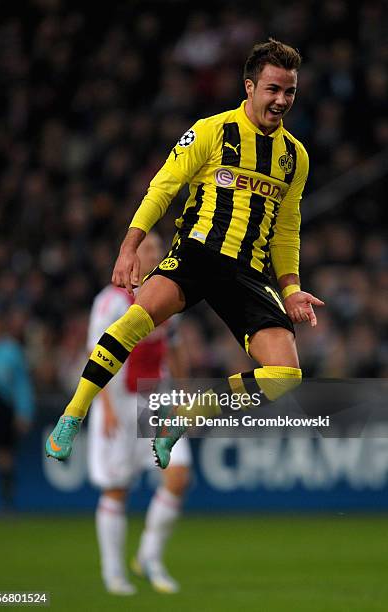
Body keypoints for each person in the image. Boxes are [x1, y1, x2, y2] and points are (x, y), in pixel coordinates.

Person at [46, 38, 324, 469]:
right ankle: (73, 412)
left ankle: (183, 416)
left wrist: (291, 288)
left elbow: (287, 229)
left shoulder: (294, 157)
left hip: (248, 272)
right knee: (134, 320)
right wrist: (130, 246)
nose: (281, 100)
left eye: (289, 91)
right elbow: (164, 186)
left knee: (286, 376)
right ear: (249, 87)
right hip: (198, 254)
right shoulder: (213, 131)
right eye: (273, 89)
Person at [87, 232, 191, 595]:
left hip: (156, 399)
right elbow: (94, 355)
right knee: (118, 489)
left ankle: (148, 556)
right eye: (148, 248)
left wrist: (184, 392)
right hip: (118, 399)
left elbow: (174, 345)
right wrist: (106, 407)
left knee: (178, 475)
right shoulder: (111, 301)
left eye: (159, 249)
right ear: (131, 254)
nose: (155, 253)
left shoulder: (167, 294)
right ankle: (113, 571)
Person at [0, 308, 34, 513]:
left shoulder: (11, 350)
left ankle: (6, 503)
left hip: (4, 410)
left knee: (5, 456)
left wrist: (24, 411)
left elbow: (22, 384)